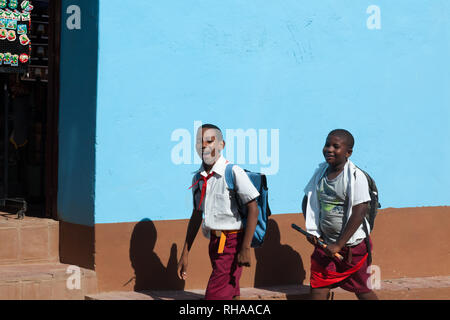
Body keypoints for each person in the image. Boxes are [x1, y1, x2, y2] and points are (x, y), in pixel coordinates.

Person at [177, 123, 260, 300]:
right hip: (214, 242)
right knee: (230, 293)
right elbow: (196, 214)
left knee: (215, 295)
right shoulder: (198, 178)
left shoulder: (232, 172)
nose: (204, 145)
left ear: (222, 145)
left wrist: (245, 247)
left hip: (232, 242)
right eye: (200, 141)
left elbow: (253, 208)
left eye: (210, 141)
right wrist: (185, 252)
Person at [301, 129, 378, 300]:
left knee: (362, 290)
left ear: (348, 152)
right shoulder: (320, 173)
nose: (329, 149)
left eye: (336, 146)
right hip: (326, 244)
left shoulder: (356, 177)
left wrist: (339, 244)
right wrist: (312, 231)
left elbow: (359, 212)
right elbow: (308, 200)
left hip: (352, 247)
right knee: (319, 286)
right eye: (327, 145)